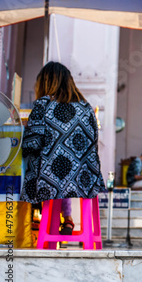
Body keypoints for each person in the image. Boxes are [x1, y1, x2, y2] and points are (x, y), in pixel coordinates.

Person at [20, 62, 105, 235]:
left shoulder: (42, 105)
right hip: (85, 179)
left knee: (32, 165)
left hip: (50, 180)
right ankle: (68, 220)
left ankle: (33, 222)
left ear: (45, 82)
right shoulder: (86, 107)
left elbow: (31, 144)